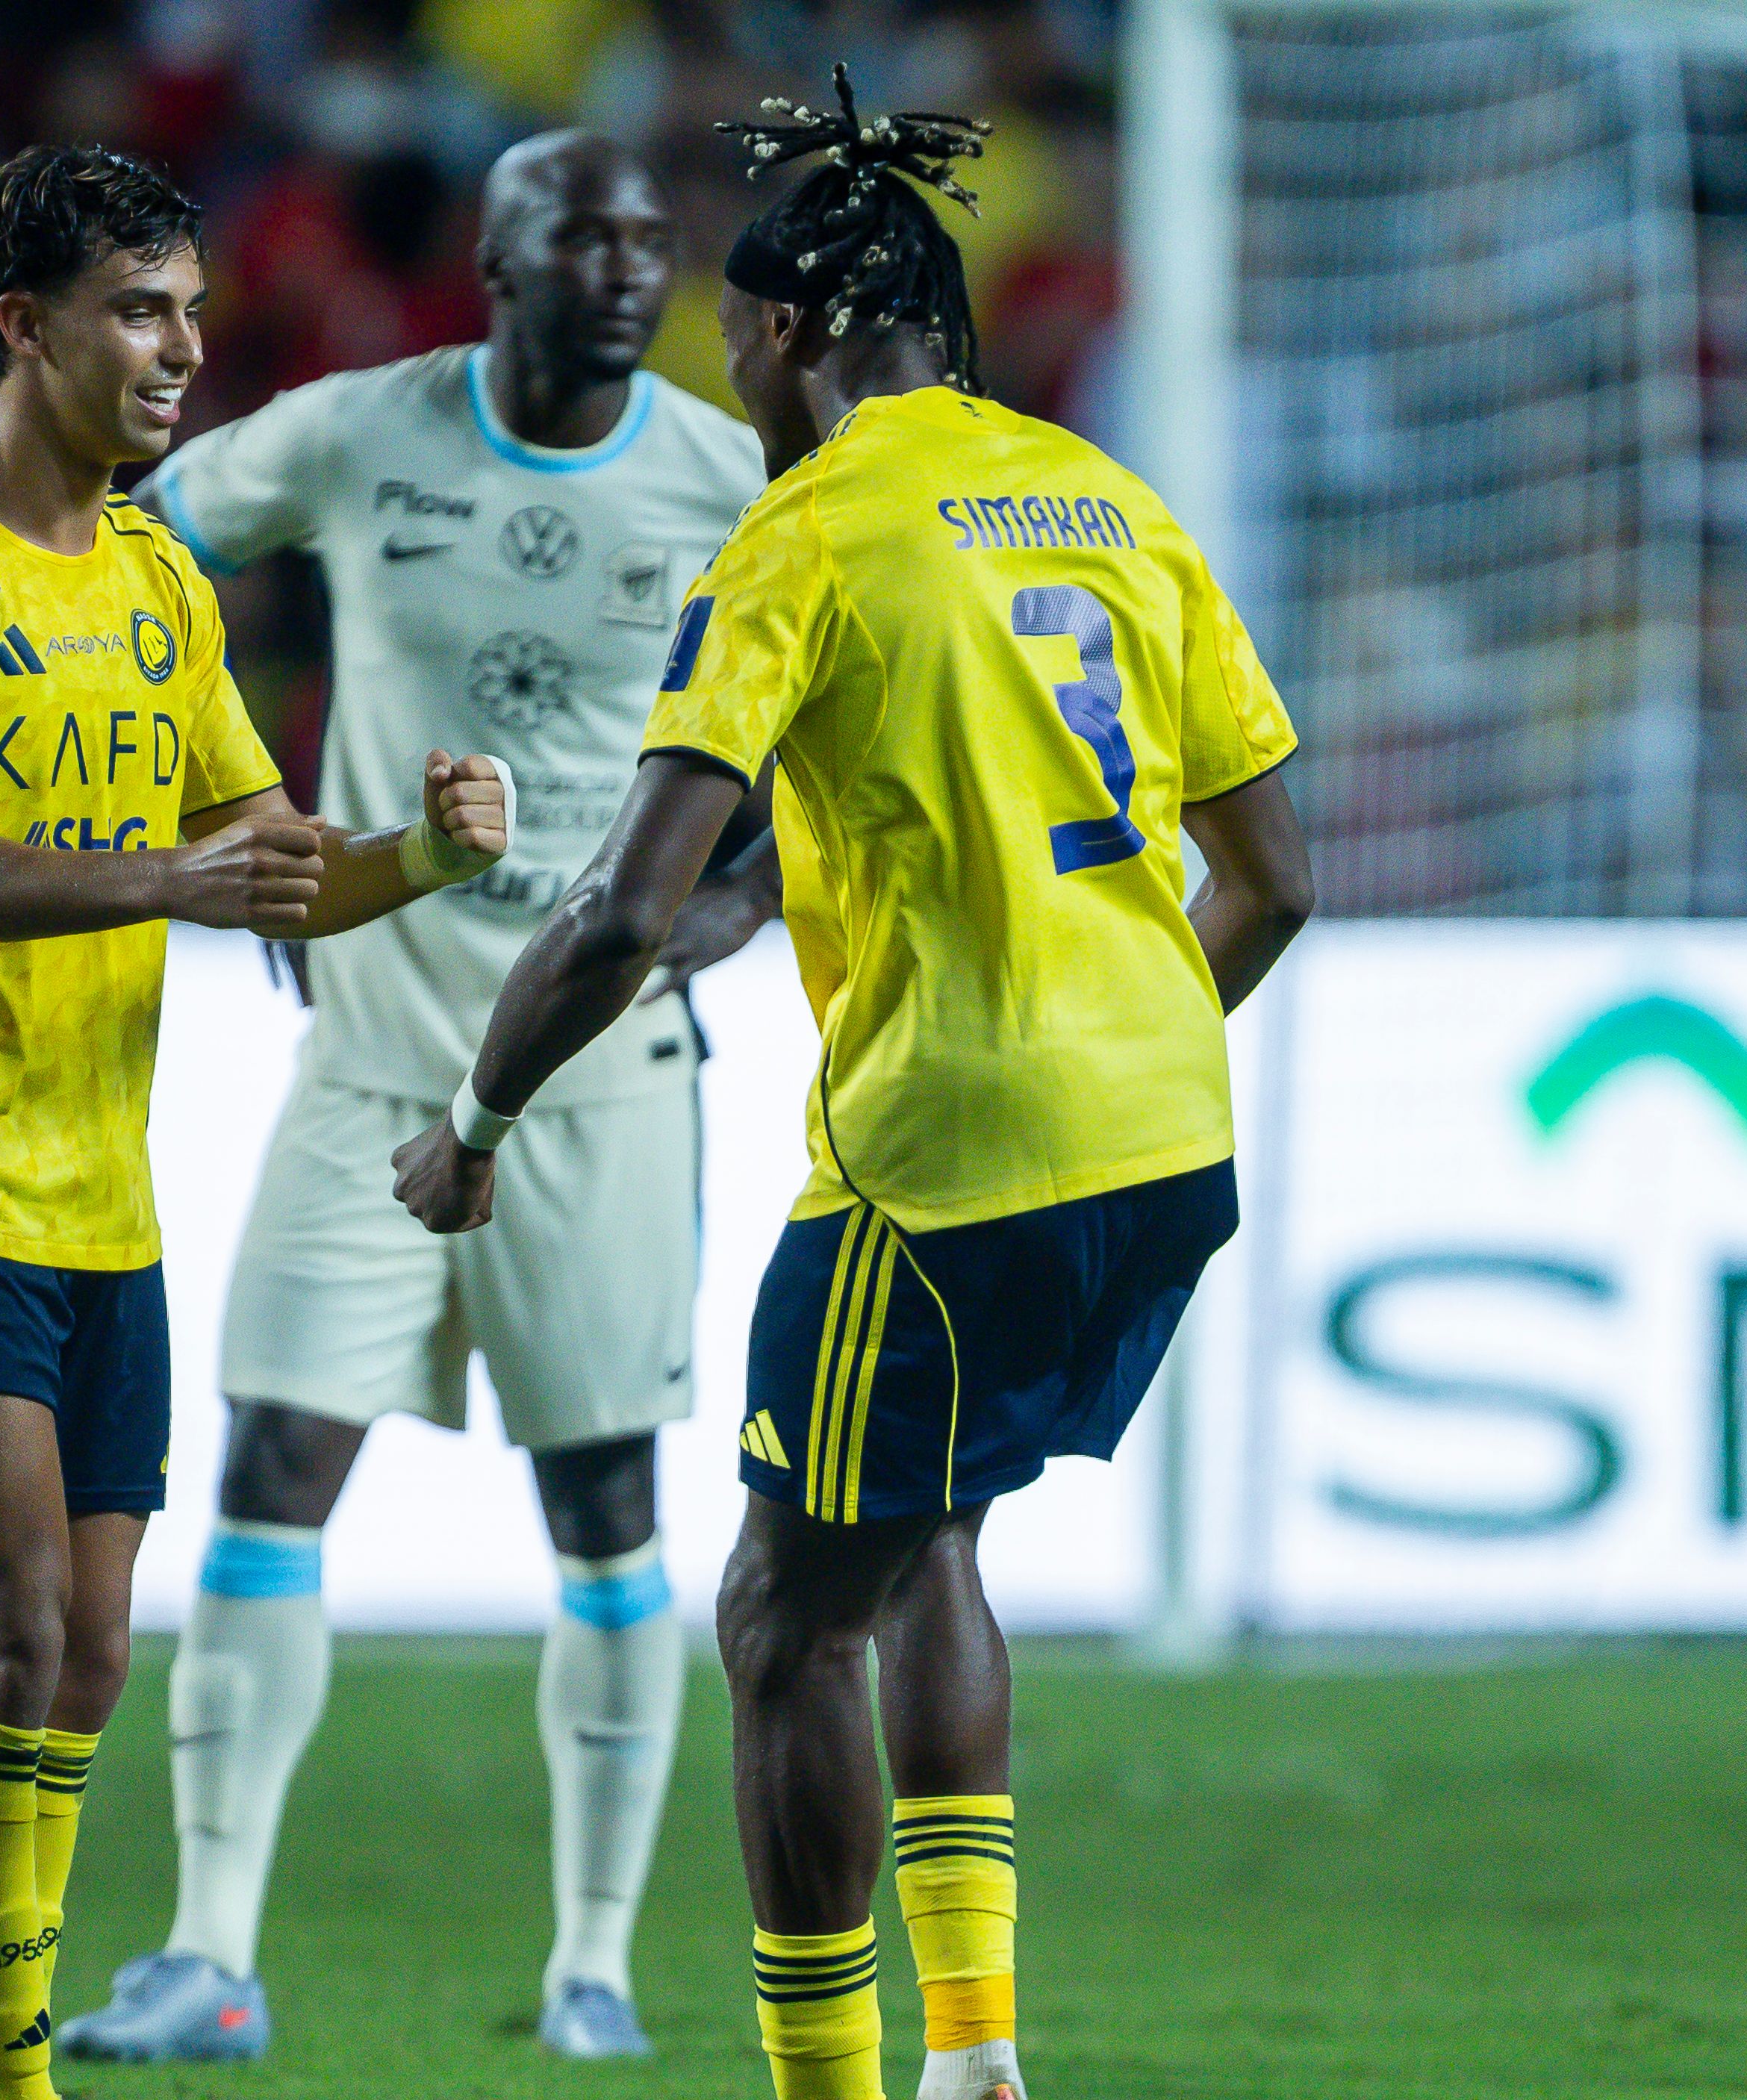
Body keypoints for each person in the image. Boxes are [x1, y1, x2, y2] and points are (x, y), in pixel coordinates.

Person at [393, 72, 1315, 2100]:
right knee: (926, 1542)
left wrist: (471, 1122)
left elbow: (628, 905)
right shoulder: (1110, 497)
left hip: (944, 1154)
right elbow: (1273, 876)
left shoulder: (805, 538)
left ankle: (831, 2083)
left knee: (781, 1613)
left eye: (738, 338)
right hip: (1166, 1136)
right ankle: (974, 2050)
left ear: (799, 332)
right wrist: (1119, 1045)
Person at [0, 144, 514, 2100]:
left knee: (89, 1661)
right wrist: (168, 881)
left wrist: (419, 861)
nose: (187, 347)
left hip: (98, 1198)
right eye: (139, 309)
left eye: (193, 307)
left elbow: (258, 863)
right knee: (3, 1634)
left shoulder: (161, 579)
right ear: (26, 327)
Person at [61, 129, 773, 2066]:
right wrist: (245, 806)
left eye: (653, 241)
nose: (631, 270)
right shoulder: (360, 430)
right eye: (586, 238)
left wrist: (744, 898)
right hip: (372, 1043)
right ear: (499, 263)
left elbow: (839, 719)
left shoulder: (729, 479)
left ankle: (596, 1965)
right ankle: (209, 1949)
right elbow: (135, 550)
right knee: (273, 1465)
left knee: (607, 1502)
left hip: (605, 1070)